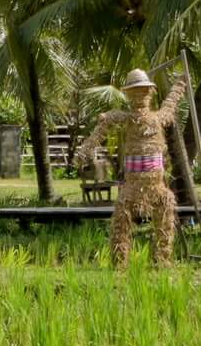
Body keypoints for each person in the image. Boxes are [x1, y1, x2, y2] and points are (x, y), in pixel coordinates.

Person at [75, 67, 187, 269]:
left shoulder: (158, 118)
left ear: (150, 92)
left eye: (144, 91)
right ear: (127, 94)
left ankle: (161, 261)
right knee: (121, 219)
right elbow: (100, 131)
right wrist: (84, 153)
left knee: (167, 205)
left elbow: (171, 103)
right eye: (135, 91)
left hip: (157, 186)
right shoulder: (122, 117)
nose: (140, 95)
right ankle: (119, 264)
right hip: (132, 187)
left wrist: (181, 83)